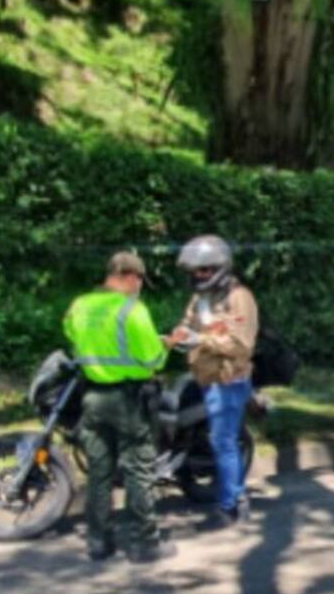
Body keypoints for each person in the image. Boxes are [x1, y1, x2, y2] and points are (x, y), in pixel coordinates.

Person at [63, 251, 172, 562]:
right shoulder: (132, 309)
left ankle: (99, 541)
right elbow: (151, 360)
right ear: (129, 277)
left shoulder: (79, 306)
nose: (139, 286)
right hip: (127, 399)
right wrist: (166, 345)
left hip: (91, 397)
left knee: (99, 472)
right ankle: (144, 542)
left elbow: (71, 335)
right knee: (139, 468)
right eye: (139, 280)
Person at [165, 235, 259, 530]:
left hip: (228, 380)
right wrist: (179, 334)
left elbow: (241, 344)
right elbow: (189, 321)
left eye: (204, 270)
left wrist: (201, 339)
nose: (198, 275)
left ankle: (231, 506)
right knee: (212, 439)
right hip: (205, 378)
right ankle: (232, 496)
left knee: (223, 441)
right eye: (194, 271)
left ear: (220, 267)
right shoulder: (201, 297)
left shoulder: (239, 297)